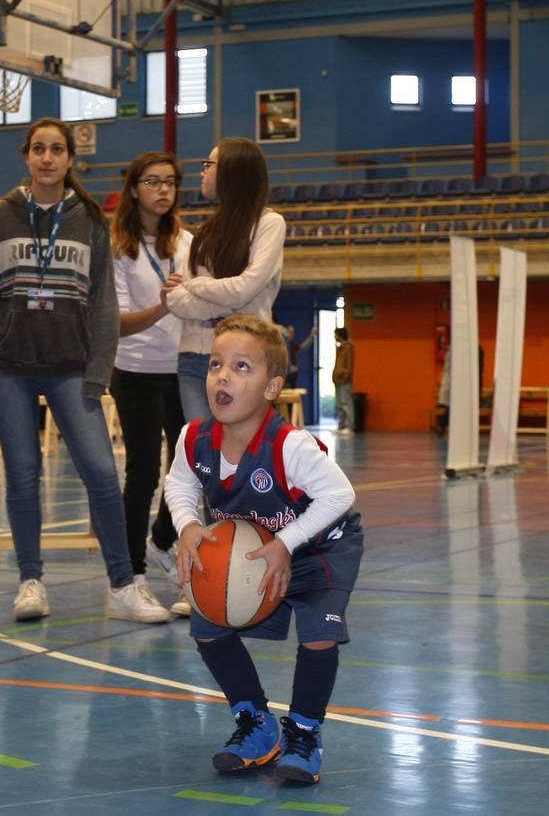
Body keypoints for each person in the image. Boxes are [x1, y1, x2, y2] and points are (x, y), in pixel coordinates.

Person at [0, 118, 169, 624]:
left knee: (101, 473)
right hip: (10, 367)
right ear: (26, 156)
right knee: (23, 476)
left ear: (71, 159)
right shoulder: (1, 215)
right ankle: (30, 582)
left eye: (57, 149)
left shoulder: (90, 220)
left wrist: (100, 368)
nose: (48, 158)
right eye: (39, 149)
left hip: (72, 369)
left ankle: (123, 584)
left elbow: (101, 303)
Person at [165, 315, 362, 784]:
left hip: (319, 546)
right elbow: (178, 483)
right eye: (216, 364)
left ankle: (305, 732)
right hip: (257, 550)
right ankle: (255, 723)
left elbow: (340, 496)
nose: (223, 376)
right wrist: (189, 525)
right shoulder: (195, 438)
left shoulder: (290, 446)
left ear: (273, 387)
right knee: (208, 625)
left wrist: (287, 544)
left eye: (241, 367)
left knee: (319, 634)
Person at [110, 150, 193, 618]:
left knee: (189, 470)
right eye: (153, 181)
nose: (163, 190)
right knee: (142, 472)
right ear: (134, 189)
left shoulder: (187, 242)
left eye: (170, 182)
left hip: (182, 368)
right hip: (136, 370)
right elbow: (120, 323)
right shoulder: (119, 246)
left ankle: (168, 546)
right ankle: (131, 577)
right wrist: (167, 303)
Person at [166, 137, 286, 423]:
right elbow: (176, 300)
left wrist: (195, 286)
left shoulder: (269, 224)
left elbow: (243, 289)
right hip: (194, 357)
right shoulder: (203, 233)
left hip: (246, 356)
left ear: (233, 171)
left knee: (242, 453)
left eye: (209, 164)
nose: (202, 171)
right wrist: (228, 304)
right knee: (202, 453)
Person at [333, 326, 355, 433]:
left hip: (344, 380)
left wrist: (345, 376)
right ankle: (341, 425)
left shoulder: (348, 347)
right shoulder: (339, 348)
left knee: (346, 403)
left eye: (336, 334)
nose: (334, 337)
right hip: (337, 379)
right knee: (339, 404)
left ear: (340, 335)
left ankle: (349, 426)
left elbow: (349, 365)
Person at [283, 324, 317, 389]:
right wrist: (289, 368)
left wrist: (311, 336)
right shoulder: (281, 345)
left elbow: (303, 347)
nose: (292, 334)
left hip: (292, 377)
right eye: (290, 332)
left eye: (293, 332)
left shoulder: (292, 345)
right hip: (285, 378)